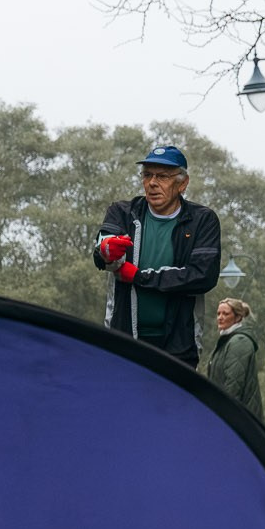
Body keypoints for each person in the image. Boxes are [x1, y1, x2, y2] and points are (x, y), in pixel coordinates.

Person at [91, 145, 222, 367]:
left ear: (182, 183)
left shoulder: (203, 220)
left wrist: (140, 276)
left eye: (162, 176)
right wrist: (106, 250)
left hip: (179, 346)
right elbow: (103, 249)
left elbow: (203, 276)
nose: (152, 183)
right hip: (124, 341)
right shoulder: (123, 212)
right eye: (147, 175)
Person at [204, 297, 263, 420]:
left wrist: (225, 416)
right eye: (218, 313)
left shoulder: (239, 341)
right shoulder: (227, 341)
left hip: (238, 417)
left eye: (225, 314)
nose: (220, 317)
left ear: (238, 317)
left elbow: (234, 385)